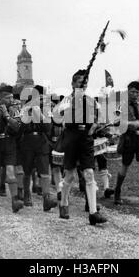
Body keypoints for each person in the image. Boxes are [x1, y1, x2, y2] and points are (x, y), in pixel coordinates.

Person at [55, 69, 107, 225]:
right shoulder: (67, 100)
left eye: (85, 82)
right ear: (72, 84)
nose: (83, 85)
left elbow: (101, 117)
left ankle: (93, 213)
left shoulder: (91, 101)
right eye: (80, 82)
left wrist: (94, 126)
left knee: (89, 173)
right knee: (70, 176)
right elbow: (58, 117)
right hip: (71, 138)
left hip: (86, 139)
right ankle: (63, 202)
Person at [19, 85, 58, 212]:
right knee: (27, 171)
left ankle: (46, 199)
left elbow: (48, 128)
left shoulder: (45, 110)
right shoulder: (24, 109)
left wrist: (39, 114)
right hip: (27, 142)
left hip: (41, 142)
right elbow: (21, 128)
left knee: (44, 171)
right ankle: (27, 194)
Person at [0, 85, 23, 212]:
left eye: (12, 97)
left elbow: (17, 127)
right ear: (1, 99)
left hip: (9, 143)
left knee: (10, 172)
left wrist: (6, 115)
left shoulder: (14, 111)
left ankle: (15, 200)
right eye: (9, 98)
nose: (12, 100)